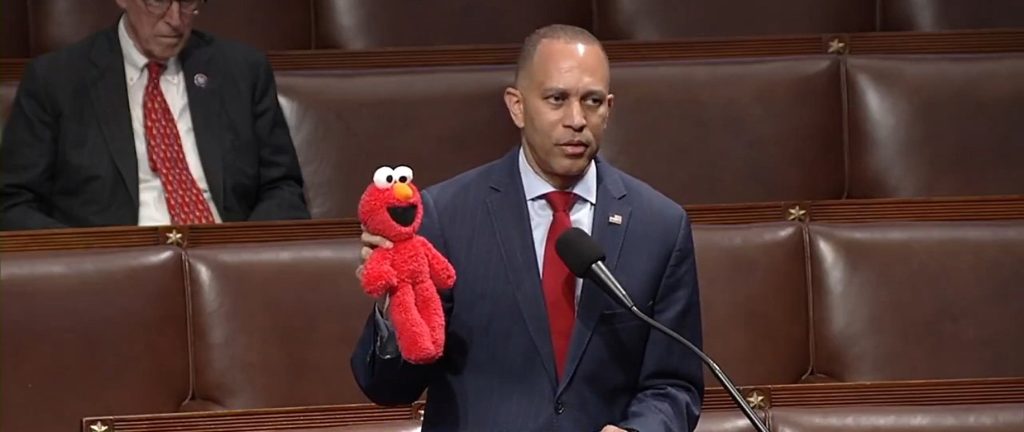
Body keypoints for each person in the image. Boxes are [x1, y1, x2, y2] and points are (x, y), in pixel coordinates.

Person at [351, 24, 704, 431]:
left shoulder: (659, 226)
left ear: (609, 107)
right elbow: (387, 388)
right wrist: (395, 306)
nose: (576, 120)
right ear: (517, 106)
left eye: (591, 102)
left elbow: (674, 385)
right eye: (557, 99)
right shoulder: (446, 215)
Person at [0, 0, 310, 231]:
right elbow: (13, 203)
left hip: (227, 263)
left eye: (187, 2)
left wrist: (244, 252)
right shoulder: (57, 80)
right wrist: (85, 259)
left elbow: (282, 187)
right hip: (111, 272)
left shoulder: (242, 70)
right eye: (158, 2)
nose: (175, 20)